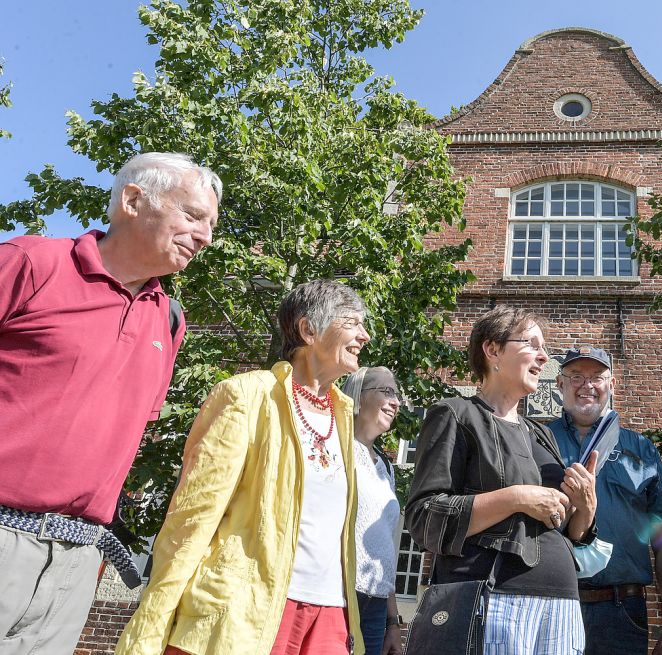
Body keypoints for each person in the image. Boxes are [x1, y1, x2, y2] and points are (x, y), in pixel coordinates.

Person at [0, 152, 221, 654]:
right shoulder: (31, 262)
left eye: (210, 224)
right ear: (133, 200)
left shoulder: (170, 320)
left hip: (77, 561)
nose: (205, 236)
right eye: (192, 215)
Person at [115, 279, 370, 655]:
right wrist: (152, 624)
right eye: (352, 322)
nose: (363, 336)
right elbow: (192, 518)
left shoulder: (345, 416)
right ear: (308, 329)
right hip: (243, 610)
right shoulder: (246, 395)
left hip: (332, 613)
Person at [405, 305, 598, 655]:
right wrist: (516, 497)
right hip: (495, 601)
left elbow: (566, 529)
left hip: (562, 605)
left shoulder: (542, 435)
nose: (544, 357)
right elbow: (424, 517)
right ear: (492, 350)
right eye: (532, 344)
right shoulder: (455, 414)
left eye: (545, 348)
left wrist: (585, 508)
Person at [548, 346, 662, 655]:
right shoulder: (536, 441)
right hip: (551, 607)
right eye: (575, 377)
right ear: (560, 385)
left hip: (622, 613)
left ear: (612, 385)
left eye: (597, 377)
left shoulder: (641, 449)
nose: (587, 385)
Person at [341, 366, 405, 655]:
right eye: (387, 392)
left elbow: (385, 550)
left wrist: (393, 621)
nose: (396, 402)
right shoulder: (338, 449)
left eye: (397, 394)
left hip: (377, 602)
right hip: (342, 594)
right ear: (358, 396)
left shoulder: (385, 467)